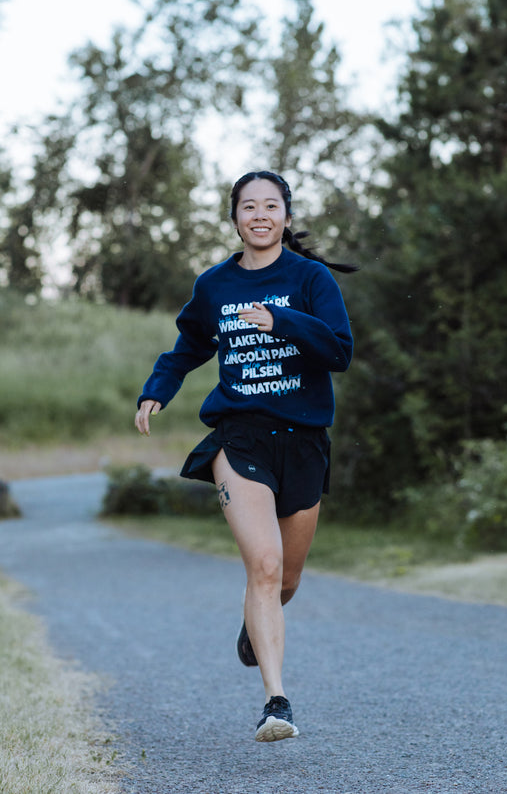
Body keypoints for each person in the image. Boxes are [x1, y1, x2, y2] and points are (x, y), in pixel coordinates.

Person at [134, 170, 356, 742]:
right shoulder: (215, 286)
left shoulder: (311, 279)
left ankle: (254, 625)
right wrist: (158, 387)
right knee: (262, 565)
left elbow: (339, 351)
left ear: (285, 215)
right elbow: (187, 345)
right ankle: (276, 703)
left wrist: (281, 319)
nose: (259, 214)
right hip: (241, 437)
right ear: (234, 218)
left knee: (286, 577)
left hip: (304, 439)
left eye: (270, 205)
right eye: (248, 206)